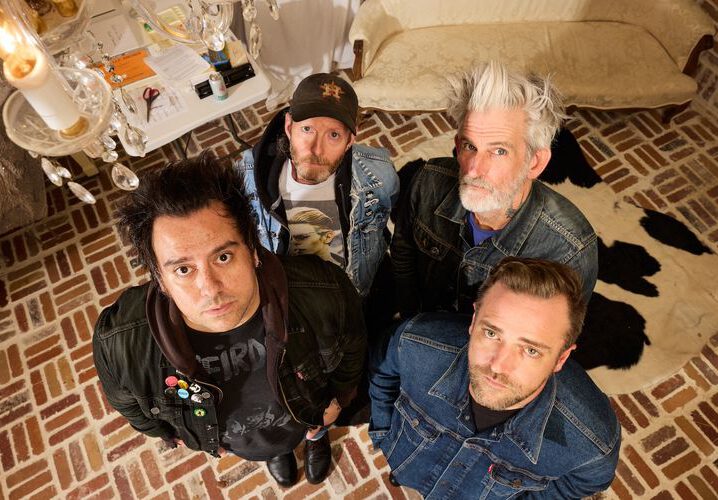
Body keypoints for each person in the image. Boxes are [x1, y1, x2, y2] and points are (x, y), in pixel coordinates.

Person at [92, 154, 366, 488]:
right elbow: (129, 406)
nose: (210, 289)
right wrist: (176, 436)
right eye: (183, 269)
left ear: (252, 249)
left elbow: (352, 352)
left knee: (311, 429)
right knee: (268, 449)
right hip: (239, 441)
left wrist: (338, 402)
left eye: (223, 257)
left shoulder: (326, 293)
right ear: (160, 279)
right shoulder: (119, 344)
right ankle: (274, 453)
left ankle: (314, 439)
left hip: (307, 415)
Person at [369, 257, 620, 498]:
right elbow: (382, 371)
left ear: (561, 359)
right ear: (474, 320)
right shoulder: (415, 342)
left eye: (531, 350)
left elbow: (586, 482)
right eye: (491, 334)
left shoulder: (591, 442)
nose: (498, 365)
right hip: (410, 468)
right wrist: (384, 436)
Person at [391, 61, 598, 318]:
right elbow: (403, 256)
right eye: (470, 146)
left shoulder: (568, 251)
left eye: (499, 151)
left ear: (535, 162)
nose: (473, 170)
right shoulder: (427, 182)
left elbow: (550, 332)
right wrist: (411, 324)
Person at [235, 72, 399, 299]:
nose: (316, 149)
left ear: (350, 141)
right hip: (290, 301)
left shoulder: (379, 175)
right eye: (307, 129)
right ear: (289, 126)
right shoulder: (246, 179)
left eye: (333, 135)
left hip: (354, 294)